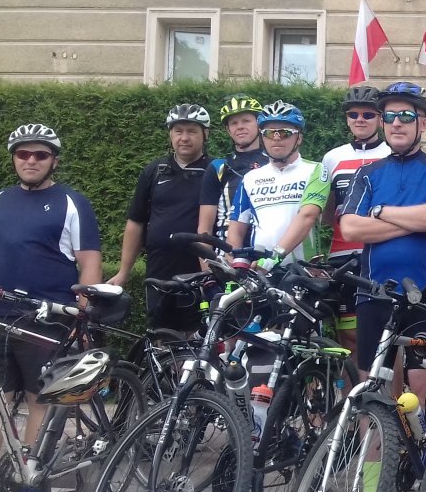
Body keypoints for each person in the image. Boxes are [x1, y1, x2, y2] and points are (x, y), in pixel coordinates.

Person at [0, 125, 101, 492]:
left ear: (54, 161)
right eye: (23, 154)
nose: (30, 161)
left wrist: (83, 314)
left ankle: (30, 482)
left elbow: (89, 262)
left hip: (48, 319)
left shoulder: (71, 203)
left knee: (40, 401)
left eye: (40, 155)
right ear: (14, 159)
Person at [339, 82, 426, 402]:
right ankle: (377, 440)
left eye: (406, 115)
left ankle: (418, 439)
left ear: (424, 123)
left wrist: (381, 212)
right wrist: (415, 223)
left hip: (425, 295)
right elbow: (350, 228)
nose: (396, 123)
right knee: (371, 389)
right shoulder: (367, 173)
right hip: (373, 292)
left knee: (419, 388)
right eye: (389, 116)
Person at [275, 86, 390, 356]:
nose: (360, 119)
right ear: (347, 119)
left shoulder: (391, 152)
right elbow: (327, 213)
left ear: (379, 118)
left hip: (382, 253)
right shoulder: (332, 157)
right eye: (353, 114)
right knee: (347, 335)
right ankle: (352, 385)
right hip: (342, 255)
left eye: (368, 114)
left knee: (384, 337)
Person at [108, 104, 212, 333]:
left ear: (205, 134)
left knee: (199, 337)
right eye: (178, 131)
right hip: (159, 268)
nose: (184, 138)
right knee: (160, 336)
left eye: (192, 131)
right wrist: (124, 272)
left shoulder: (215, 170)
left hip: (199, 271)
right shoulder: (154, 170)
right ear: (170, 134)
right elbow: (136, 222)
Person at [226, 101, 322, 266]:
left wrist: (273, 258)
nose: (276, 138)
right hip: (260, 272)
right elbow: (236, 228)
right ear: (262, 137)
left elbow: (308, 216)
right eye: (269, 133)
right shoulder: (250, 178)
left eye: (285, 133)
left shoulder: (316, 170)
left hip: (304, 271)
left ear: (298, 138)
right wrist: (236, 263)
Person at [198, 94, 268, 241]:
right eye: (234, 123)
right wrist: (205, 256)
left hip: (266, 248)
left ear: (259, 125)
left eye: (246, 121)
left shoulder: (274, 163)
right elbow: (205, 229)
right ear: (228, 130)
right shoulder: (218, 167)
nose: (240, 126)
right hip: (227, 249)